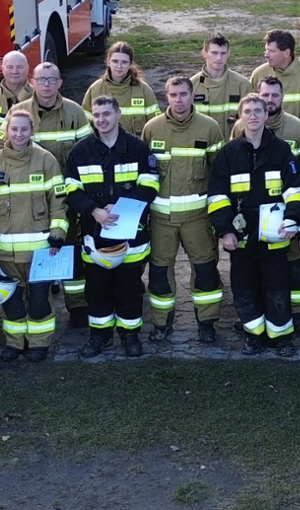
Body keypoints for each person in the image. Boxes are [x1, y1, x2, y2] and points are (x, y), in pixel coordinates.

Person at [209, 94, 300, 355]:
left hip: (274, 236)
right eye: (248, 111)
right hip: (241, 238)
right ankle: (254, 336)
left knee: (277, 287)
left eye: (258, 111)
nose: (253, 116)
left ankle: (282, 337)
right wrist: (225, 230)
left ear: (267, 115)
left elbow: (295, 189)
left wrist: (293, 219)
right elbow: (218, 195)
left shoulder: (281, 150)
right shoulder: (228, 154)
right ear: (240, 116)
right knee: (244, 288)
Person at [63, 95, 160, 358]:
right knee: (96, 290)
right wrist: (93, 210)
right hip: (94, 234)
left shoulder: (137, 148)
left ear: (118, 115)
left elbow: (151, 184)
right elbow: (71, 188)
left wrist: (118, 207)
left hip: (131, 235)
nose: (101, 120)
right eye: (97, 115)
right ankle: (100, 336)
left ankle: (130, 336)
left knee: (129, 288)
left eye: (106, 114)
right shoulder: (81, 151)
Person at [141, 76, 229, 343]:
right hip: (161, 220)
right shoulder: (152, 129)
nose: (178, 100)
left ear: (193, 96)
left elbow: (219, 173)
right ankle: (161, 323)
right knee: (159, 273)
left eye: (183, 94)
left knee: (205, 271)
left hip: (198, 218)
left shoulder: (210, 128)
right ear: (166, 97)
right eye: (173, 95)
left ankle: (207, 323)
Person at [0, 109, 69, 361]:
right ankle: (15, 343)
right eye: (14, 129)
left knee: (40, 299)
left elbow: (59, 201)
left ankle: (39, 343)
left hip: (42, 249)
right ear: (7, 131)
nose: (19, 134)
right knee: (12, 301)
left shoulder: (46, 160)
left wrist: (58, 232)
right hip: (6, 250)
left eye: (24, 129)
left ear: (32, 131)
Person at [240, 77, 300, 331]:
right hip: (254, 210)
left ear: (282, 97)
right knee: (258, 267)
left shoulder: (298, 129)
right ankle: (263, 311)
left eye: (275, 95)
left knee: (294, 264)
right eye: (266, 95)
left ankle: (298, 311)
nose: (270, 100)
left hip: (289, 208)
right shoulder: (242, 126)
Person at [16, 62, 91, 310]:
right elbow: (3, 152)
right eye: (41, 79)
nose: (46, 85)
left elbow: (87, 154)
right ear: (32, 82)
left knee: (69, 249)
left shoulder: (75, 112)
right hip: (29, 197)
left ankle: (77, 305)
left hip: (66, 197)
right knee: (34, 251)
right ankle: (35, 305)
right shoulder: (18, 113)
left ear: (60, 83)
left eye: (52, 80)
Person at [84, 41, 161, 133]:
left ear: (130, 64)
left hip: (135, 147)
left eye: (124, 62)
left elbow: (156, 126)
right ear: (108, 62)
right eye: (115, 61)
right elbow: (85, 126)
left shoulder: (144, 90)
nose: (119, 66)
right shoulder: (95, 89)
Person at [248, 29, 300, 121]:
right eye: (266, 50)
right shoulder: (259, 74)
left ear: (286, 53)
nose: (266, 55)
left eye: (272, 51)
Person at [192, 33, 251, 127]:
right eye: (214, 53)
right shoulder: (192, 85)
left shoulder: (242, 84)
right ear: (204, 53)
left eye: (223, 53)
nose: (219, 58)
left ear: (228, 54)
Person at [0, 50, 33, 130]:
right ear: (2, 69)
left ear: (27, 69)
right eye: (10, 67)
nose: (14, 71)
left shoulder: (38, 97)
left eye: (20, 67)